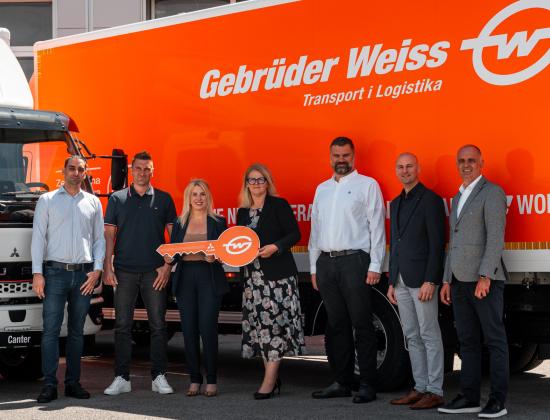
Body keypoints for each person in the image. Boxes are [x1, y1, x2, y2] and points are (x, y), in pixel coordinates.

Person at [309, 136, 385, 404]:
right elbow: (315, 230)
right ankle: (342, 382)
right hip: (326, 263)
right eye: (336, 156)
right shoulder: (322, 189)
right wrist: (313, 267)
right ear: (330, 157)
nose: (341, 160)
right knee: (337, 325)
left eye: (346, 156)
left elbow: (377, 227)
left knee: (362, 324)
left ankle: (368, 384)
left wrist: (375, 265)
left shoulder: (367, 185)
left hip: (355, 261)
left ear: (353, 157)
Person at [438, 145, 509, 418]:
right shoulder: (458, 196)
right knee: (467, 341)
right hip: (458, 281)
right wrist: (446, 280)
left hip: (483, 281)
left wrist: (485, 276)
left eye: (471, 160)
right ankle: (469, 398)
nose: (466, 165)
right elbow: (453, 241)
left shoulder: (492, 192)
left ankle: (497, 402)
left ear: (481, 163)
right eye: (461, 161)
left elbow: (495, 238)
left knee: (495, 340)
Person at [31, 155, 105, 403]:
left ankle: (73, 383)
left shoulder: (93, 202)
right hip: (54, 273)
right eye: (71, 168)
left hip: (84, 275)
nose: (76, 173)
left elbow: (99, 239)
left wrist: (97, 270)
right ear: (63, 171)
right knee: (50, 331)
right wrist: (37, 273)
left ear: (85, 172)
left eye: (80, 169)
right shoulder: (47, 200)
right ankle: (49, 385)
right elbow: (38, 237)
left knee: (77, 332)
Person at [103, 151, 177, 396]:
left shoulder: (164, 199)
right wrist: (107, 266)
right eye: (138, 168)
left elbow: (174, 237)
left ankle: (159, 377)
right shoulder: (117, 198)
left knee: (158, 326)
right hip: (124, 271)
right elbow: (110, 235)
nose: (142, 173)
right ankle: (122, 378)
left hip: (154, 272)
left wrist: (167, 266)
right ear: (131, 170)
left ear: (153, 171)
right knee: (122, 326)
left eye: (147, 169)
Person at [237, 163, 305, 400]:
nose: (256, 184)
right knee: (261, 330)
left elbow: (295, 234)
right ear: (246, 184)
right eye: (252, 180)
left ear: (267, 183)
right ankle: (272, 378)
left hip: (277, 280)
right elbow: (238, 244)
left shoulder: (279, 205)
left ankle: (268, 382)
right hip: (252, 280)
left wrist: (276, 247)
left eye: (261, 179)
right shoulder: (242, 213)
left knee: (274, 328)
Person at [386, 153, 445, 409]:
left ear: (418, 168)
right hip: (400, 280)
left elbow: (437, 245)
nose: (405, 171)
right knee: (411, 335)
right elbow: (395, 244)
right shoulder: (396, 202)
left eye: (409, 166)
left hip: (422, 281)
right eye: (400, 167)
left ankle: (435, 390)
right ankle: (420, 387)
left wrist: (431, 280)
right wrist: (391, 281)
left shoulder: (431, 200)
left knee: (429, 333)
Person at [164, 179, 228, 397]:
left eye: (202, 194)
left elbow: (225, 255)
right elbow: (174, 253)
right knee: (189, 330)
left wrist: (215, 258)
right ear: (188, 198)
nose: (199, 198)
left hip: (209, 277)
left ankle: (212, 380)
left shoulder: (218, 222)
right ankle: (194, 379)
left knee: (208, 329)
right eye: (194, 194)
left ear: (208, 197)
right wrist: (167, 259)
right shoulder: (180, 222)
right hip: (185, 279)